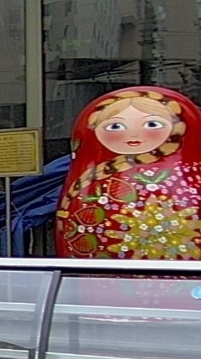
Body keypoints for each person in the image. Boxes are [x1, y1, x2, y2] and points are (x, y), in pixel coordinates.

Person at [57, 86, 201, 259]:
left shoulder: (188, 174)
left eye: (152, 124)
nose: (133, 133)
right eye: (115, 126)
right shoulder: (90, 179)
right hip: (98, 270)